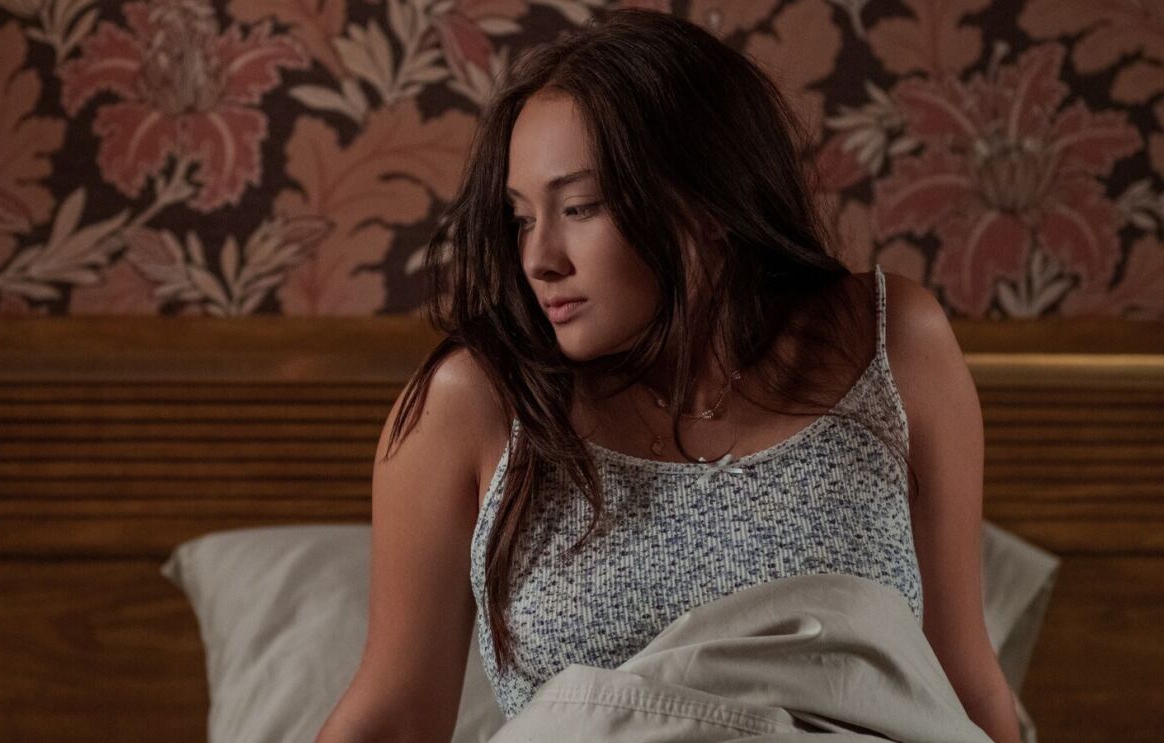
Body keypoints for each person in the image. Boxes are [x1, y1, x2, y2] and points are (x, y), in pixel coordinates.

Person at [316, 8, 1022, 743]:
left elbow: (962, 683)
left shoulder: (893, 343)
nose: (539, 258)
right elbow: (393, 716)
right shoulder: (471, 405)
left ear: (705, 203)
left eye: (580, 207)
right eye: (522, 218)